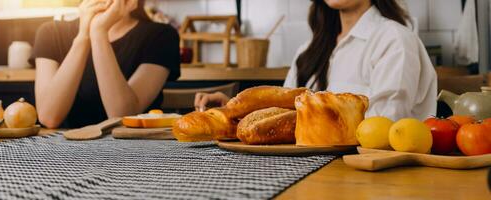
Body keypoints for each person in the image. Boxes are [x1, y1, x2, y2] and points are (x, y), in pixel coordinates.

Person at [194, 0, 437, 121]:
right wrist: (237, 111)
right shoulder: (308, 52)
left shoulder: (393, 39)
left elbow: (385, 125)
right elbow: (285, 114)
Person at [32, 0, 180, 128]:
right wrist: (83, 36)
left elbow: (123, 116)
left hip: (132, 151)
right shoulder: (51, 32)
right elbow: (49, 117)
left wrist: (99, 33)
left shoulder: (162, 36)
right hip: (64, 152)